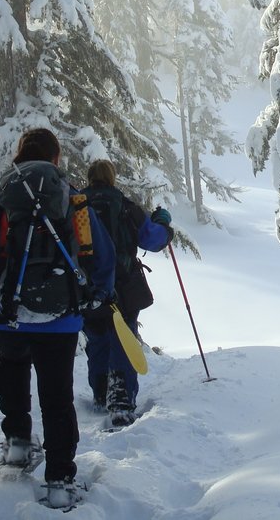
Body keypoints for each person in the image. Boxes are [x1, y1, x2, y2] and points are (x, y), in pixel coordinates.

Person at [0, 128, 115, 509]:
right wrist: (100, 295)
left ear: (18, 157)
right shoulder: (72, 198)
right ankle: (60, 481)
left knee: (13, 364)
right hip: (60, 317)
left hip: (4, 316)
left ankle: (18, 445)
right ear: (56, 159)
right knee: (57, 396)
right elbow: (101, 253)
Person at [81, 159, 173, 428]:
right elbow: (153, 239)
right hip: (123, 285)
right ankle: (120, 399)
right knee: (123, 336)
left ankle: (100, 391)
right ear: (112, 178)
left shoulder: (76, 206)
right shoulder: (125, 206)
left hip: (87, 286)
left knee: (96, 336)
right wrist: (164, 224)